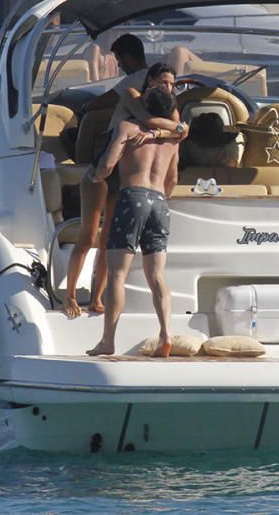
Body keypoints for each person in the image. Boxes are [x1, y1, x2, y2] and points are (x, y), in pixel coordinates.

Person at [62, 62, 186, 318]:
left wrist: (173, 130)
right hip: (102, 170)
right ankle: (70, 295)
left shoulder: (171, 106)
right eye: (164, 82)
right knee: (87, 237)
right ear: (150, 80)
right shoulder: (132, 95)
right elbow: (156, 122)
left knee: (109, 239)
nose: (169, 88)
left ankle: (96, 298)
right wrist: (174, 129)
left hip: (125, 176)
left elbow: (180, 134)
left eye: (172, 84)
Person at [86, 86, 181, 358]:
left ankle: (107, 341)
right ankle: (165, 334)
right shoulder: (173, 138)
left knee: (117, 274)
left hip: (132, 197)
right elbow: (172, 179)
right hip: (160, 201)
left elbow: (107, 164)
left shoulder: (128, 128)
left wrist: (95, 177)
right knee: (157, 276)